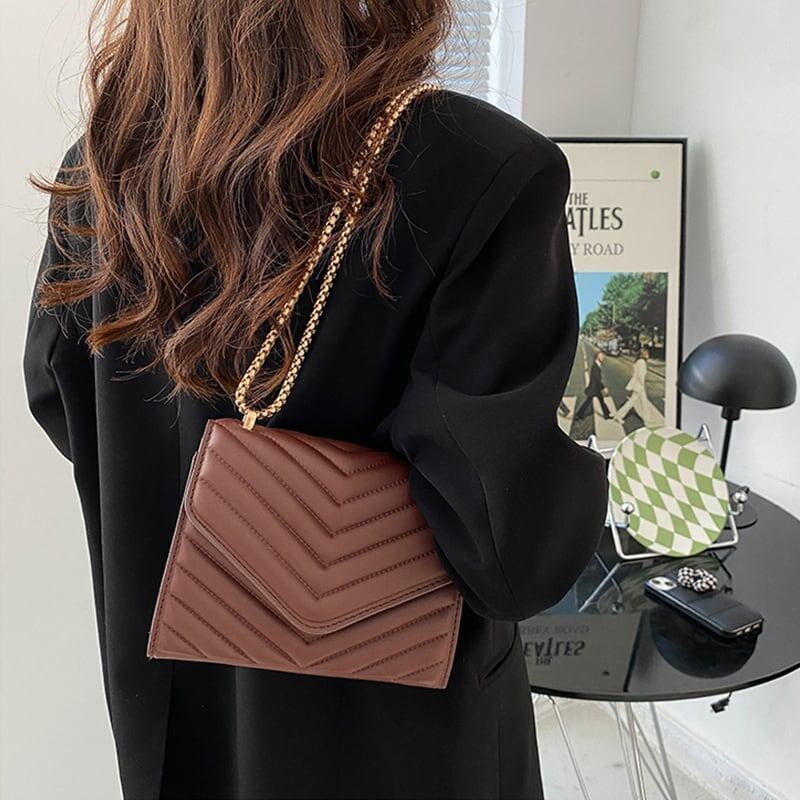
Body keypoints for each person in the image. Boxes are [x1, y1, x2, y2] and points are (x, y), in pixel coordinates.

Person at [23, 2, 608, 798]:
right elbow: (510, 555)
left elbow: (57, 394)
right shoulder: (484, 168)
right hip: (401, 737)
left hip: (177, 706)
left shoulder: (106, 162)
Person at [615, 348, 655, 425]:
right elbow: (640, 376)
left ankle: (647, 420)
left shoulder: (638, 361)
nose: (648, 355)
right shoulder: (642, 362)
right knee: (632, 402)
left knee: (644, 402)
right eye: (646, 353)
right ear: (643, 355)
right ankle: (619, 415)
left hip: (639, 385)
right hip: (639, 385)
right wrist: (642, 384)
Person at [576, 349, 612, 420]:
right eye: (601, 356)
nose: (603, 357)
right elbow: (597, 379)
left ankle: (607, 414)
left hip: (596, 388)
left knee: (601, 401)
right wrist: (604, 387)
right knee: (588, 402)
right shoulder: (595, 366)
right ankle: (578, 415)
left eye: (603, 355)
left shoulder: (597, 365)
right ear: (597, 357)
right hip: (594, 388)